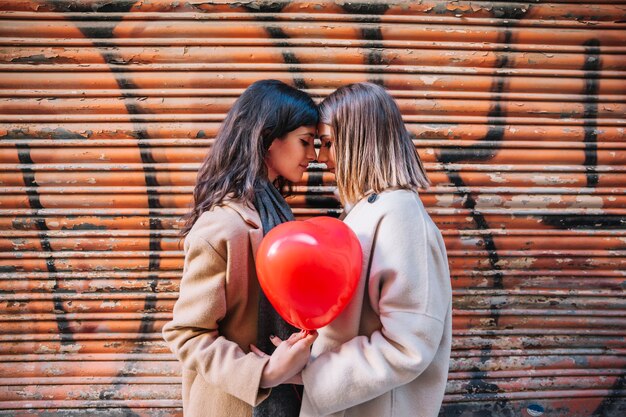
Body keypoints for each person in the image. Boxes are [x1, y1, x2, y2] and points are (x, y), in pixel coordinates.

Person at [163, 79, 319, 417]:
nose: (314, 155)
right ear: (268, 138)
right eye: (305, 141)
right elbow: (187, 335)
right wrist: (266, 373)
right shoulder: (224, 227)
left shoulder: (276, 213)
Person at [303, 82, 452, 417]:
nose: (321, 157)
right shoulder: (372, 210)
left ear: (359, 139)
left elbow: (408, 345)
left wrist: (315, 375)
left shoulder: (400, 216)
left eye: (328, 143)